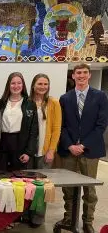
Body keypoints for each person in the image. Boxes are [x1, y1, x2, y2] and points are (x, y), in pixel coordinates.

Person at [57, 63, 108, 233]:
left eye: (85, 72)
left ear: (89, 75)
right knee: (68, 188)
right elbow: (61, 126)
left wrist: (84, 145)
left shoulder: (100, 96)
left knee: (89, 189)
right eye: (78, 72)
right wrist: (71, 145)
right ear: (73, 75)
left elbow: (101, 125)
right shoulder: (65, 98)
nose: (81, 75)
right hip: (69, 150)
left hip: (91, 150)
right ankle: (69, 218)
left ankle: (87, 221)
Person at [25, 73, 62, 228]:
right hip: (28, 151)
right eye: (40, 84)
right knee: (27, 185)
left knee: (43, 186)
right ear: (33, 85)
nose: (42, 87)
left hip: (44, 150)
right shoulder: (27, 102)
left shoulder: (53, 103)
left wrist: (51, 150)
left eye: (45, 84)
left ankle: (38, 217)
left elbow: (56, 128)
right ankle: (25, 214)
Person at [0, 72, 38, 171]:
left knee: (18, 178)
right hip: (3, 144)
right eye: (13, 83)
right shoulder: (0, 103)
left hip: (20, 145)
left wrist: (28, 152)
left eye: (19, 83)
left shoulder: (30, 104)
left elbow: (33, 131)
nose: (16, 86)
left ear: (23, 85)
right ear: (8, 85)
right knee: (2, 176)